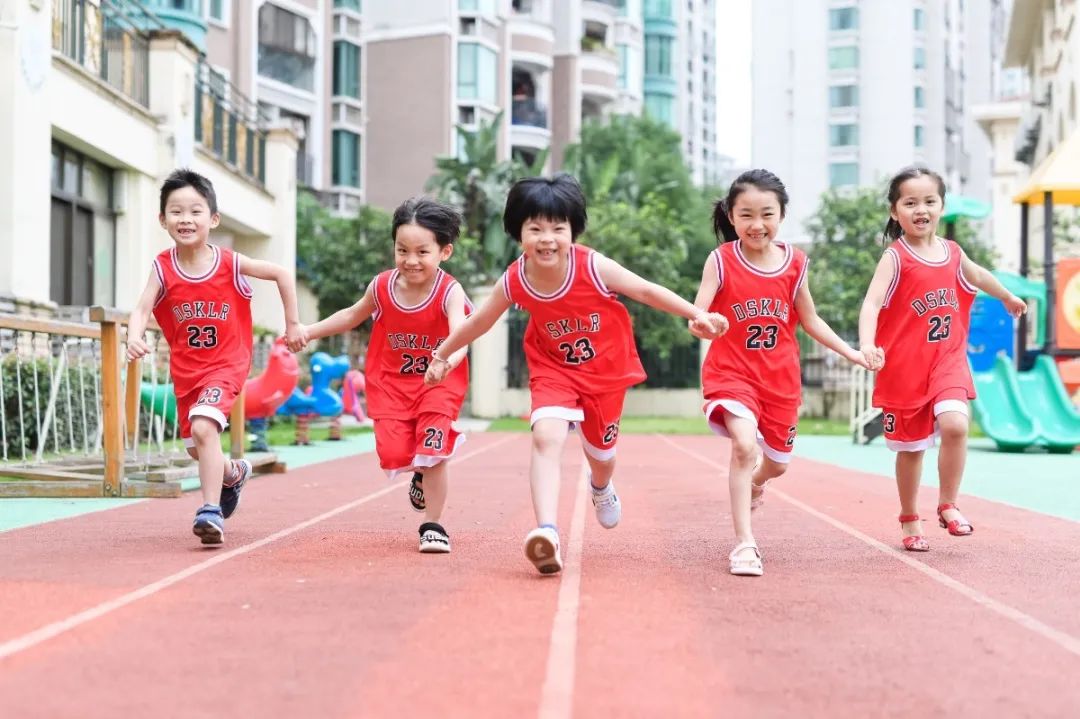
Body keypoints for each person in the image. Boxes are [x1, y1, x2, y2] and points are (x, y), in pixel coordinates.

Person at [424, 174, 726, 574]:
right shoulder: (515, 279)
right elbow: (479, 321)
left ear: (572, 231)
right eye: (535, 228)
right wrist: (442, 353)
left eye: (557, 228)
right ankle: (546, 531)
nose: (547, 238)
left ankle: (601, 487)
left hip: (605, 372)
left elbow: (648, 291)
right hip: (553, 368)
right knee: (546, 436)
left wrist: (698, 314)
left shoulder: (593, 266)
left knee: (601, 456)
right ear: (519, 234)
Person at [695, 169, 876, 577]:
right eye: (745, 215)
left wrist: (851, 352)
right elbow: (699, 309)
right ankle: (745, 544)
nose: (756, 224)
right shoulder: (721, 260)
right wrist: (702, 322)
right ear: (730, 215)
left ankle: (759, 481)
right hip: (731, 374)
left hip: (780, 382)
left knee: (776, 465)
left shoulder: (795, 262)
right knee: (743, 445)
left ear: (781, 214)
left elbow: (809, 320)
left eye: (766, 214)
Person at [127, 169, 306, 545]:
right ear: (163, 220)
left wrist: (292, 325)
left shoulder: (231, 263)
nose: (186, 219)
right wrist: (134, 335)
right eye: (176, 212)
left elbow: (282, 274)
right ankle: (233, 473)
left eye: (195, 211)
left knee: (205, 428)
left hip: (227, 366)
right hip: (186, 372)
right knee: (198, 444)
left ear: (213, 219)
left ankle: (209, 510)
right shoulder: (163, 266)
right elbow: (142, 309)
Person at [858, 165, 1026, 551]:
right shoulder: (895, 258)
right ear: (894, 210)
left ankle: (948, 504)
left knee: (955, 426)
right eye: (910, 202)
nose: (921, 209)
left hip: (947, 360)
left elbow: (979, 275)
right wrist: (868, 344)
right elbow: (870, 304)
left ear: (941, 207)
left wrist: (1006, 296)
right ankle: (909, 519)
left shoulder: (952, 252)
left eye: (929, 201)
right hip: (904, 369)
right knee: (912, 449)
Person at [300, 197, 471, 553]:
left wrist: (445, 361)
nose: (411, 260)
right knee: (395, 453)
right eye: (402, 250)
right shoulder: (381, 287)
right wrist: (309, 331)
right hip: (391, 385)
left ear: (445, 252)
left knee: (434, 448)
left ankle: (433, 525)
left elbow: (462, 336)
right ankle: (418, 475)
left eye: (422, 252)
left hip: (438, 383)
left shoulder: (449, 292)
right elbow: (350, 315)